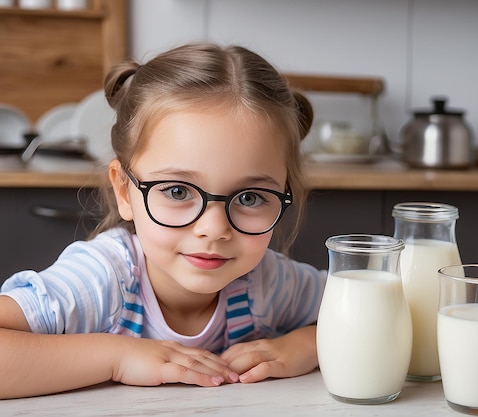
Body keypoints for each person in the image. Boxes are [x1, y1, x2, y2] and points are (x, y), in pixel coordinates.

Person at [0, 42, 326, 399]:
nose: (214, 229)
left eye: (249, 198)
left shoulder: (266, 281)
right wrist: (117, 357)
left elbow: (388, 315)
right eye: (177, 192)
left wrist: (307, 345)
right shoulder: (103, 281)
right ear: (124, 191)